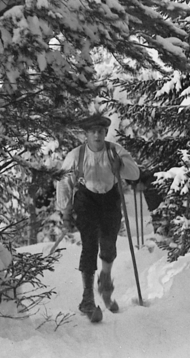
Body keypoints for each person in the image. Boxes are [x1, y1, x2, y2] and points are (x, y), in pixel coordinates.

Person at [54, 112, 140, 320]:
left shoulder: (114, 151)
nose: (97, 136)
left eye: (100, 131)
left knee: (109, 244)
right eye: (93, 132)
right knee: (90, 244)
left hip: (110, 199)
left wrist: (121, 166)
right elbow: (64, 182)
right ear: (86, 134)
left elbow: (134, 173)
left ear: (105, 132)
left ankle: (105, 280)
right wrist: (65, 211)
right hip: (86, 200)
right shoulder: (76, 155)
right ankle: (87, 299)